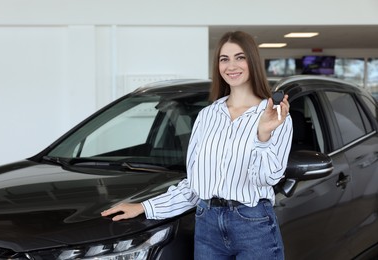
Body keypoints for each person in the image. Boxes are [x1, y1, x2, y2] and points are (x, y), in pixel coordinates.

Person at [101, 31, 293, 260]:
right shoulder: (207, 116)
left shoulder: (275, 117)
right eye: (224, 59)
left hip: (253, 224)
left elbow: (268, 178)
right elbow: (194, 186)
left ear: (252, 61)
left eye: (240, 57)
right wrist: (145, 207)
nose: (232, 65)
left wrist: (262, 135)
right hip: (207, 223)